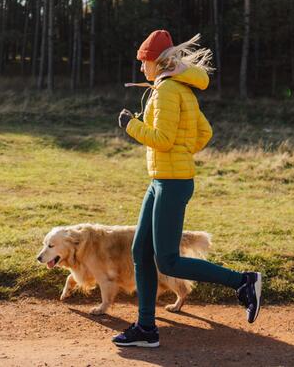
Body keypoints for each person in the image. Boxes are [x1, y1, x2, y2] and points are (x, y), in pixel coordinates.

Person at [112, 29, 263, 349]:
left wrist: (131, 126)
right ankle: (146, 328)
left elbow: (164, 140)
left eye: (143, 62)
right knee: (141, 251)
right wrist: (182, 150)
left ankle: (243, 281)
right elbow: (204, 132)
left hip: (172, 182)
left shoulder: (168, 91)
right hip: (162, 180)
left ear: (156, 61)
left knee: (167, 261)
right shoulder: (177, 88)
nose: (140, 68)